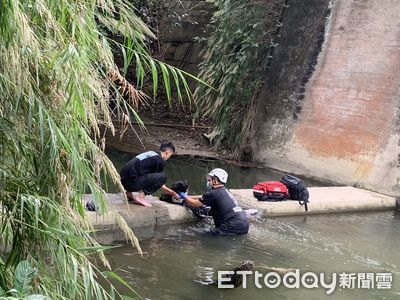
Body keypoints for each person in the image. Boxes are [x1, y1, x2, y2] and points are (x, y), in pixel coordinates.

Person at [179, 168, 249, 235]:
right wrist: (189, 197)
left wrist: (183, 196)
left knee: (204, 237)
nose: (208, 181)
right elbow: (204, 197)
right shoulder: (224, 190)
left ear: (215, 180)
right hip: (244, 224)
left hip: (232, 226)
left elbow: (195, 204)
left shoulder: (213, 193)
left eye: (209, 180)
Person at [120, 141, 179, 207]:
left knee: (139, 172)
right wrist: (173, 193)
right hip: (131, 183)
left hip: (122, 182)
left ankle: (129, 193)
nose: (169, 158)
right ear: (167, 153)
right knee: (163, 177)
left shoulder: (151, 153)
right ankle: (140, 197)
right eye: (170, 155)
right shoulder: (160, 161)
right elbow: (160, 183)